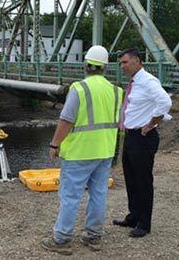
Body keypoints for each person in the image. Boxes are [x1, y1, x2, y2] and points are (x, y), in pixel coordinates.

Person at [42, 45, 123, 255]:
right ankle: (93, 236)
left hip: (79, 152)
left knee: (70, 196)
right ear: (105, 67)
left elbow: (66, 120)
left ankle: (61, 239)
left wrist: (54, 144)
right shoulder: (116, 91)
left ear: (86, 65)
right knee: (99, 194)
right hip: (105, 151)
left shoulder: (79, 89)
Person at [112, 48, 172, 238]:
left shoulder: (148, 81)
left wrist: (151, 124)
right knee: (131, 178)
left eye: (125, 62)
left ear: (137, 61)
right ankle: (134, 216)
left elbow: (165, 102)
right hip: (131, 136)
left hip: (143, 137)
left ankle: (144, 224)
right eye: (121, 63)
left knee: (143, 181)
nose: (122, 66)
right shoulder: (136, 83)